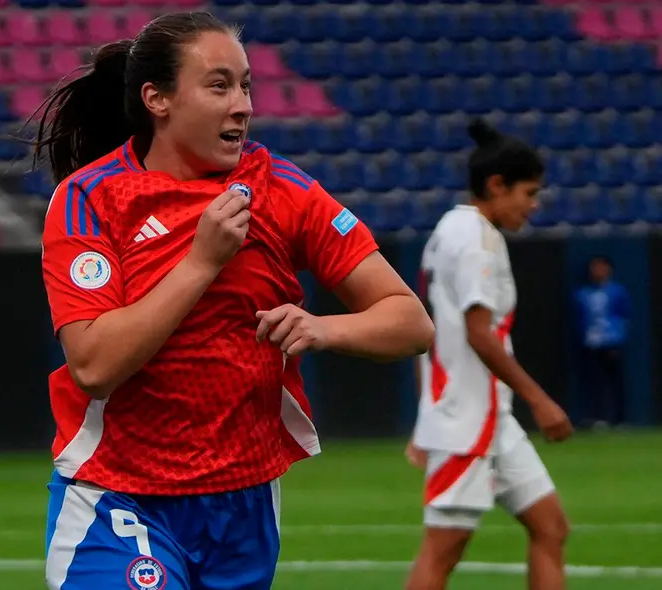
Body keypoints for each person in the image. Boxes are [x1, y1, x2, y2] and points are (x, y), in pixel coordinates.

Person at [32, 11, 434, 590]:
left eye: (246, 85)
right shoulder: (88, 200)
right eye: (219, 85)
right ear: (157, 99)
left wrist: (325, 329)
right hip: (116, 496)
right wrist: (201, 262)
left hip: (244, 502)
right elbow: (94, 364)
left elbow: (412, 324)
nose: (242, 104)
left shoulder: (284, 189)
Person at [405, 120, 573, 590]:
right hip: (468, 420)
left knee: (550, 526)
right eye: (529, 192)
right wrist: (540, 399)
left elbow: (433, 333)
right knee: (441, 553)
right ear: (497, 185)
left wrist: (425, 416)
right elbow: (480, 334)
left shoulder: (447, 229)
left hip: (486, 418)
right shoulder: (477, 238)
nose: (533, 205)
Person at [574, 255, 630, 428]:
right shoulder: (582, 293)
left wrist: (617, 338)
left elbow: (625, 315)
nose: (597, 271)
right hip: (591, 343)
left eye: (601, 267)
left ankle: (619, 418)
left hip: (611, 342)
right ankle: (599, 417)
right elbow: (580, 318)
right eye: (594, 267)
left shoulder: (617, 291)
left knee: (616, 382)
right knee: (595, 382)